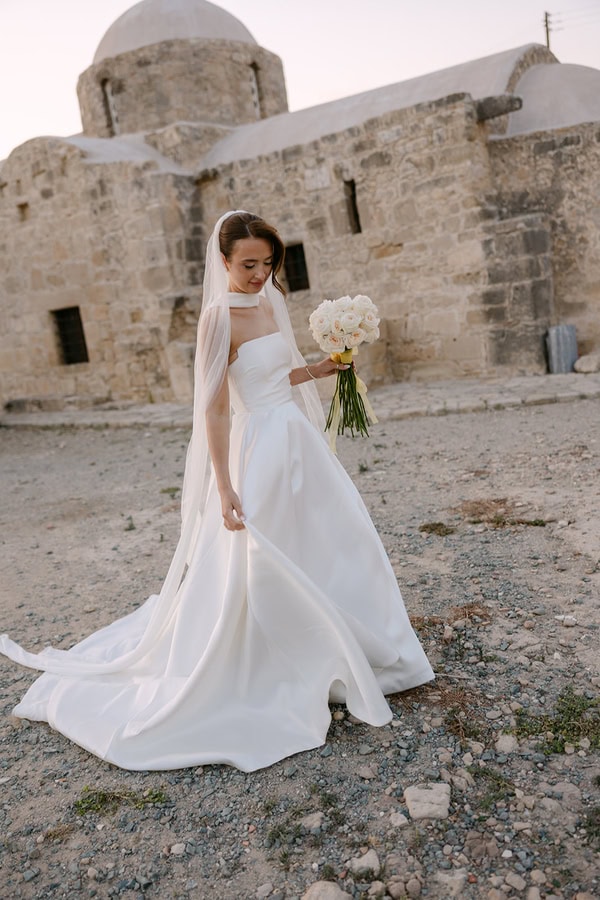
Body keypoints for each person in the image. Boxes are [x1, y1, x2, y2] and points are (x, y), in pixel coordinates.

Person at [0, 211, 434, 772]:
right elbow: (216, 406)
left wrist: (323, 368)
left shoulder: (271, 302)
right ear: (223, 262)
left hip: (297, 442)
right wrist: (225, 485)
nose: (260, 274)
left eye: (268, 262)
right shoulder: (216, 318)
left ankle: (356, 648)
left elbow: (279, 375)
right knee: (263, 557)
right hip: (258, 451)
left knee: (335, 540)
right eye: (248, 264)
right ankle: (278, 658)